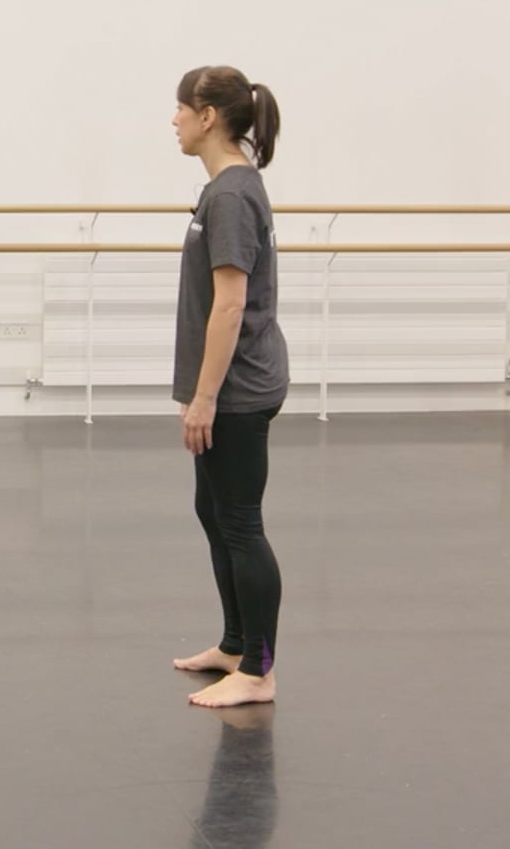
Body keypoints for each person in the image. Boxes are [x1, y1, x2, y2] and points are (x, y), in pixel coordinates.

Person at [166, 66, 287, 708]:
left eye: (181, 109)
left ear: (209, 115)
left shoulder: (233, 194)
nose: (175, 121)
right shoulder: (223, 188)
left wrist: (206, 397)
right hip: (222, 387)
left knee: (240, 522)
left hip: (239, 390)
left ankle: (259, 670)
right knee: (214, 514)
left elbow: (231, 304)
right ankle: (237, 645)